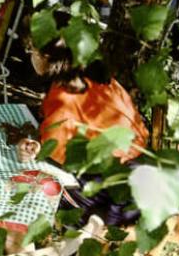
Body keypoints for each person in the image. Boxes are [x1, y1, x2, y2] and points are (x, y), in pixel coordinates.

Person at [26, 18, 146, 225]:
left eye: (31, 51)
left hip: (111, 193)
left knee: (29, 182)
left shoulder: (63, 95)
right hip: (139, 176)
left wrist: (34, 145)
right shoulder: (100, 78)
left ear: (45, 57)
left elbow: (55, 152)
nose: (30, 57)